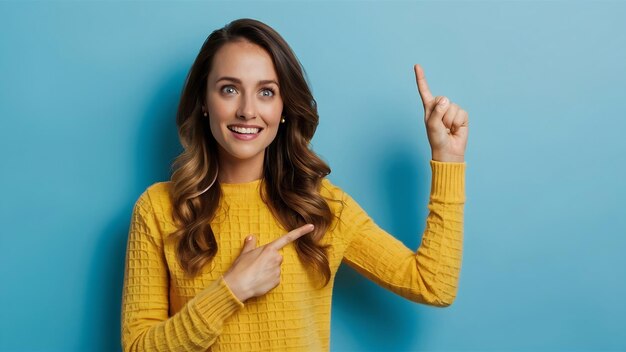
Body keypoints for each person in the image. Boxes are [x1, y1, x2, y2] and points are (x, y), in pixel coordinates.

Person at [120, 17, 468, 352]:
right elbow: (137, 347)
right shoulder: (158, 209)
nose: (246, 110)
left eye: (266, 92)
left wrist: (447, 158)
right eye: (229, 89)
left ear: (284, 107)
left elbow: (433, 284)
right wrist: (232, 289)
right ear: (204, 103)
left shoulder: (320, 206)